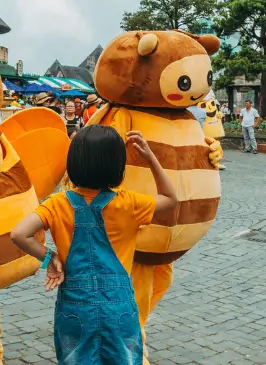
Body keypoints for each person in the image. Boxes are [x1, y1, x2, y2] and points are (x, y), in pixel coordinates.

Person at [11, 126, 178, 364]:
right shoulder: (128, 203)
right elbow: (171, 199)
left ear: (74, 163)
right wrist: (149, 157)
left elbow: (19, 234)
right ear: (117, 166)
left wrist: (50, 258)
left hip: (74, 306)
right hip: (118, 306)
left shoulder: (57, 204)